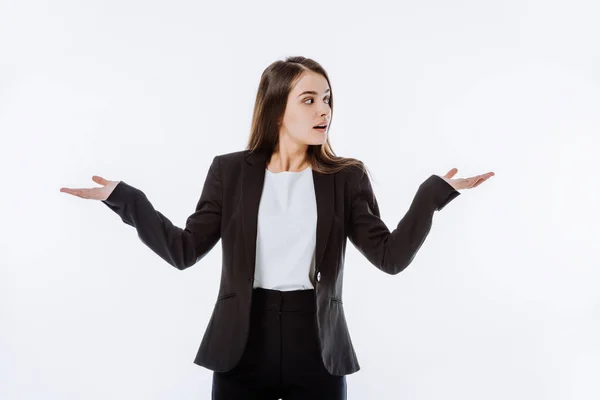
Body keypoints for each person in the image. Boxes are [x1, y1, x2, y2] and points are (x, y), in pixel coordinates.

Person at [60, 56, 495, 399]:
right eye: (309, 99)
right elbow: (183, 250)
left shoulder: (345, 177)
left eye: (327, 98)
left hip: (317, 346)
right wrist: (124, 198)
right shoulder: (230, 172)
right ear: (276, 109)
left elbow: (391, 258)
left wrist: (433, 194)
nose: (323, 109)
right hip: (241, 346)